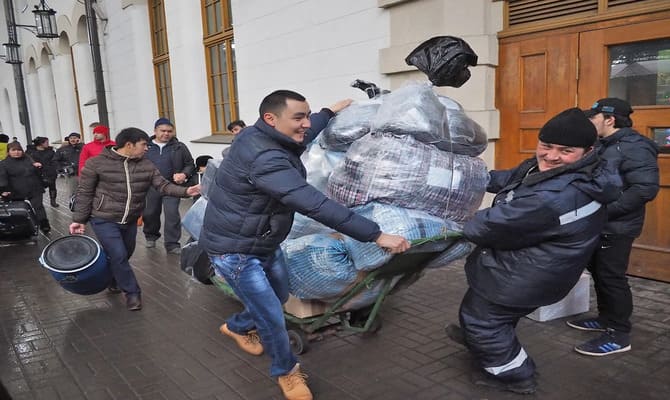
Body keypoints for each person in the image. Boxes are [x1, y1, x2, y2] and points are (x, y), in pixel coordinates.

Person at [200, 90, 411, 400]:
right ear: (270, 119)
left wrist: (329, 111)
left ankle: (237, 326)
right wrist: (375, 234)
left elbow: (306, 133)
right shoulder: (264, 158)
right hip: (236, 251)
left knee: (280, 294)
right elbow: (314, 204)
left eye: (307, 115)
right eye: (298, 117)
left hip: (262, 239)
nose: (305, 124)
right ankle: (286, 372)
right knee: (272, 314)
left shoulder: (267, 135)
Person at [445, 108, 622, 394]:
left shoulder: (556, 196)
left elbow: (483, 228)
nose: (551, 156)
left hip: (523, 276)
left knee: (482, 320)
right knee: (494, 315)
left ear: (588, 150)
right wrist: (466, 175)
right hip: (534, 270)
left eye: (566, 150)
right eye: (546, 146)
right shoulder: (581, 171)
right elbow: (511, 179)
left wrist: (443, 218)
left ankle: (515, 373)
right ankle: (483, 341)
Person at [566, 98, 659, 356]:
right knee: (599, 273)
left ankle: (619, 333)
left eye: (594, 118)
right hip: (599, 224)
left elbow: (644, 189)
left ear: (610, 119)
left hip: (617, 227)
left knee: (612, 277)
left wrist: (602, 211)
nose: (589, 122)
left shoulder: (635, 147)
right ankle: (606, 319)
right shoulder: (605, 145)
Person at [69, 127, 200, 311]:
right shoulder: (96, 163)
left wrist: (186, 191)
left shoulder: (146, 164)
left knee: (125, 253)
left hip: (130, 219)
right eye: (144, 144)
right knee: (118, 254)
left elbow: (162, 186)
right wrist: (79, 219)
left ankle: (114, 279)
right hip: (103, 218)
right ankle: (132, 293)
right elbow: (85, 192)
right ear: (129, 145)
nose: (147, 148)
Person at [142, 118, 195, 254]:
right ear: (155, 131)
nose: (166, 134)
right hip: (150, 187)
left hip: (172, 187)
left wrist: (184, 174)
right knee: (150, 213)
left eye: (169, 131)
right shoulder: (145, 147)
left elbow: (190, 164)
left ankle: (172, 244)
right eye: (163, 131)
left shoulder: (179, 147)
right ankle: (151, 235)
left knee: (172, 214)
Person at [0, 142, 51, 233]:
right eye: (14, 150)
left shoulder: (29, 159)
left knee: (38, 207)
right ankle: (20, 226)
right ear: (8, 152)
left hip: (34, 188)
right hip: (15, 190)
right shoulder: (4, 164)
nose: (17, 152)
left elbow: (40, 173)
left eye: (19, 150)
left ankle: (44, 224)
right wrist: (3, 190)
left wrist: (38, 167)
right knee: (17, 209)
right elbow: (2, 177)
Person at [25, 137, 59, 207]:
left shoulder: (51, 151)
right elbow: (27, 161)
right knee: (38, 189)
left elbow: (54, 161)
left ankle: (53, 201)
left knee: (52, 187)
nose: (48, 144)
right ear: (40, 143)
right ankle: (38, 202)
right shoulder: (30, 152)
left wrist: (54, 168)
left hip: (50, 172)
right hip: (37, 173)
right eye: (46, 142)